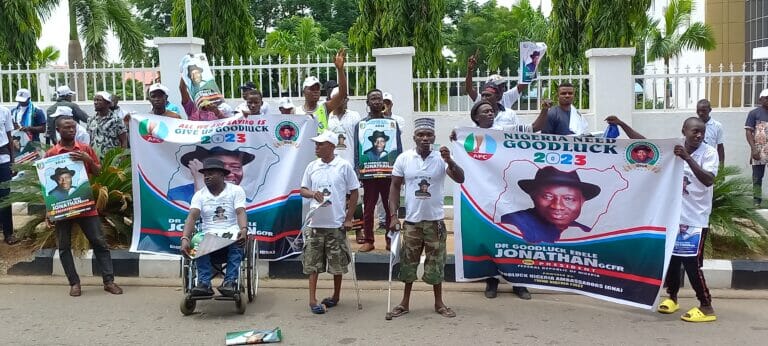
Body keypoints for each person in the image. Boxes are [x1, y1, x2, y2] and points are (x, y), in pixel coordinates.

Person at [603, 116, 719, 322]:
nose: (699, 135)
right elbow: (646, 145)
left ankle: (706, 305)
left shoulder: (708, 153)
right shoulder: (675, 146)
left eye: (702, 132)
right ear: (684, 131)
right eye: (694, 131)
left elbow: (709, 180)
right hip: (673, 216)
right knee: (672, 259)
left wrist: (688, 159)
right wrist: (622, 124)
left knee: (691, 263)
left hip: (695, 219)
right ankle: (672, 297)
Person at [388, 117, 465, 318]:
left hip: (435, 222)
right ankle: (404, 302)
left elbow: (460, 178)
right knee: (408, 264)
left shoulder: (441, 158)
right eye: (420, 135)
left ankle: (439, 303)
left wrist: (450, 161)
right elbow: (395, 187)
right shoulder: (404, 158)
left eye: (428, 135)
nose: (424, 138)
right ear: (414, 137)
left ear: (433, 137)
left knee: (436, 263)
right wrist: (394, 216)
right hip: (412, 223)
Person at [464, 100, 533, 300]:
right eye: (485, 111)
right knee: (491, 237)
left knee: (515, 235)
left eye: (492, 111)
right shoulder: (469, 136)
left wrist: (545, 111)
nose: (490, 114)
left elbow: (534, 128)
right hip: (486, 195)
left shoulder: (504, 131)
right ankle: (492, 281)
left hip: (510, 193)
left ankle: (519, 283)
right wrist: (454, 137)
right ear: (476, 117)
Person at [47, 115, 123, 296]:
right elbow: (47, 186)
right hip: (62, 207)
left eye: (73, 127)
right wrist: (48, 210)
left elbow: (98, 172)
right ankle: (74, 283)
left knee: (99, 241)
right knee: (64, 246)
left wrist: (87, 159)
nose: (71, 130)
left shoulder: (85, 149)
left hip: (85, 205)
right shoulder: (51, 154)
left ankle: (109, 281)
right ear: (58, 130)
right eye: (66, 128)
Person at [299, 130, 360, 314]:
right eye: (316, 144)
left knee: (337, 263)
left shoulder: (343, 166)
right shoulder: (312, 166)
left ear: (332, 146)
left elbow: (354, 191)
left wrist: (349, 218)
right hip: (315, 224)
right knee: (312, 264)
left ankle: (335, 296)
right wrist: (312, 193)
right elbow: (302, 189)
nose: (316, 147)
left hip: (335, 223)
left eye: (320, 144)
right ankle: (312, 299)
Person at [180, 158, 248, 297]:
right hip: (208, 234)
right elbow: (192, 216)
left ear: (222, 175)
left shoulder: (236, 190)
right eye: (205, 174)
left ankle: (230, 282)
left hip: (230, 231)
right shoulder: (200, 195)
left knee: (238, 239)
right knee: (196, 241)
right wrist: (185, 238)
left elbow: (240, 211)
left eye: (211, 173)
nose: (207, 177)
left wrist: (244, 229)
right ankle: (204, 283)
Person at [354, 89, 403, 251]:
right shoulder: (361, 125)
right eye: (372, 99)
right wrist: (358, 170)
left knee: (391, 207)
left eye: (379, 98)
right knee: (368, 208)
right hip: (368, 174)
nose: (376, 101)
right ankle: (369, 240)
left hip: (389, 173)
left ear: (383, 102)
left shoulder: (391, 124)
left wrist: (400, 170)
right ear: (367, 103)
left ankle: (390, 240)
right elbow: (357, 149)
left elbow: (398, 148)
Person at [500, 166, 601, 244]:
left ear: (582, 201)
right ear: (533, 196)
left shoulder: (585, 232)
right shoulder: (512, 224)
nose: (557, 206)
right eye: (547, 197)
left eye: (568, 198)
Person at [167, 146, 255, 203]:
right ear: (196, 166)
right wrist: (200, 182)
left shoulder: (245, 201)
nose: (228, 173)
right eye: (219, 166)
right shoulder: (176, 195)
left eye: (236, 167)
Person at [295, 50, 348, 134]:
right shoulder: (295, 112)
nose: (315, 91)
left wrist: (340, 70)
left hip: (320, 147)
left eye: (317, 89)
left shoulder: (324, 107)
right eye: (312, 89)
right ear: (304, 92)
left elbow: (342, 94)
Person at [464, 53, 528, 109]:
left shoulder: (506, 97)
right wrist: (470, 70)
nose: (503, 89)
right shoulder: (482, 99)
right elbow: (469, 89)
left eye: (503, 86)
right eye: (499, 86)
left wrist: (530, 64)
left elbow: (522, 85)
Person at [86, 91, 128, 157]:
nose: (95, 102)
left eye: (99, 100)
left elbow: (124, 140)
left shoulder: (116, 120)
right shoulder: (91, 120)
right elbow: (89, 140)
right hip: (94, 159)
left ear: (107, 103)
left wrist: (122, 157)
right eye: (94, 100)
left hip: (111, 161)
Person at [745, 89, 768, 207]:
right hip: (759, 149)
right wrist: (753, 149)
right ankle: (757, 201)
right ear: (761, 99)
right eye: (766, 98)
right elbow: (749, 132)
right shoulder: (754, 113)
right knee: (757, 176)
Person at [327, 87, 360, 164]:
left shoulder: (355, 116)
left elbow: (359, 141)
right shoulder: (327, 118)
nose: (346, 100)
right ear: (334, 100)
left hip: (351, 165)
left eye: (346, 98)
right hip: (332, 166)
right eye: (343, 98)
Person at [0, 105, 18, 245]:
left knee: (5, 195)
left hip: (3, 158)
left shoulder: (4, 111)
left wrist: (13, 161)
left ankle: (8, 232)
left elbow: (9, 137)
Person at [696, 99, 724, 166]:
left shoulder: (717, 126)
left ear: (710, 110)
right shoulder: (693, 124)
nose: (700, 113)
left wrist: (721, 166)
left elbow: (720, 147)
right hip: (695, 161)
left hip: (710, 161)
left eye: (703, 111)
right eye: (698, 111)